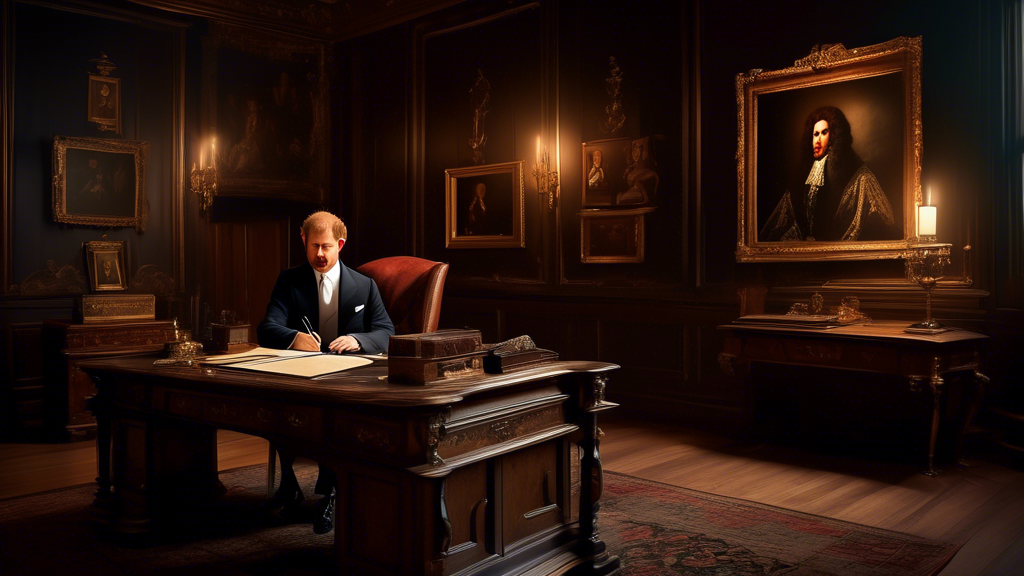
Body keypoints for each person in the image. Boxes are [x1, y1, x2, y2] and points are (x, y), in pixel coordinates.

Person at [257, 210, 394, 534]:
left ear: (340, 245)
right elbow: (267, 329)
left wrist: (357, 339)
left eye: (327, 246)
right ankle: (289, 483)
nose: (320, 254)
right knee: (276, 408)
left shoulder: (365, 285)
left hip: (349, 380)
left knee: (335, 418)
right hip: (300, 375)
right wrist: (294, 337)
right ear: (304, 242)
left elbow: (387, 332)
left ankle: (330, 494)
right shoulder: (289, 281)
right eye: (314, 245)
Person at [760, 106, 898, 242]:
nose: (818, 140)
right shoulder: (802, 176)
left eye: (824, 132)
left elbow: (879, 219)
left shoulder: (860, 177)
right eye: (815, 134)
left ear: (834, 136)